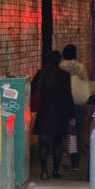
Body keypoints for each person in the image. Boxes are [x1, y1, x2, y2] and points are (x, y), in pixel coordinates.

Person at [32, 50, 73, 180]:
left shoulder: (41, 74)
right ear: (60, 61)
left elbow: (32, 89)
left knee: (43, 143)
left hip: (44, 111)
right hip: (59, 113)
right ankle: (56, 170)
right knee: (58, 143)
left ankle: (44, 171)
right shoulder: (65, 75)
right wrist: (71, 114)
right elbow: (68, 95)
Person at [59, 43, 92, 170]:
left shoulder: (60, 67)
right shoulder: (80, 68)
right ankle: (75, 163)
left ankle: (65, 153)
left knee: (64, 131)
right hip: (78, 104)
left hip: (63, 104)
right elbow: (85, 82)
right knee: (77, 132)